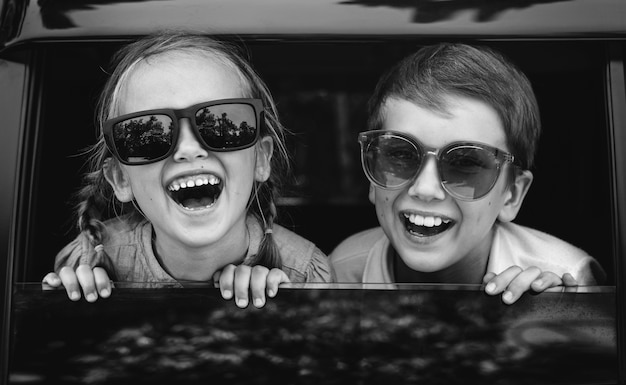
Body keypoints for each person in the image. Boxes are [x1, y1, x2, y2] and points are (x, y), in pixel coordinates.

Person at [42, 31, 332, 308]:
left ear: (260, 159)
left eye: (221, 123)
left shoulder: (303, 273)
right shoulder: (87, 260)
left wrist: (279, 311)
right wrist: (76, 311)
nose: (189, 149)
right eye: (149, 135)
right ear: (120, 178)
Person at [329, 43, 605, 304]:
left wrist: (555, 322)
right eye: (401, 154)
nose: (425, 189)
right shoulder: (340, 274)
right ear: (372, 178)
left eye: (466, 164)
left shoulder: (568, 279)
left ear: (512, 195)